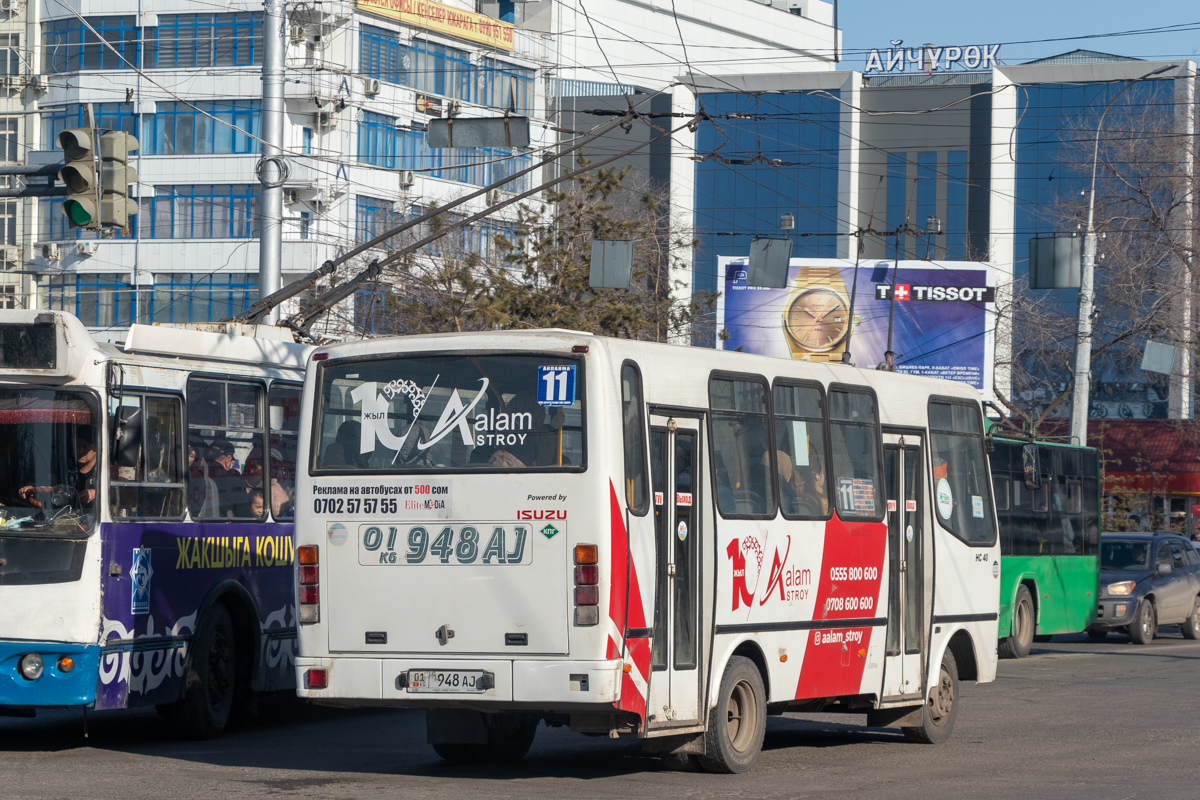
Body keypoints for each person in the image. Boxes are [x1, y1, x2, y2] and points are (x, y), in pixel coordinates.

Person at [19, 429, 98, 515]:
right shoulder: (64, 468)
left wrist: (96, 493)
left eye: (85, 447)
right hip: (62, 517)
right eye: (77, 445)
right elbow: (45, 481)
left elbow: (113, 494)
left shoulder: (104, 470)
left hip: (93, 519)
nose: (80, 450)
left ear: (96, 448)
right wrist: (30, 488)